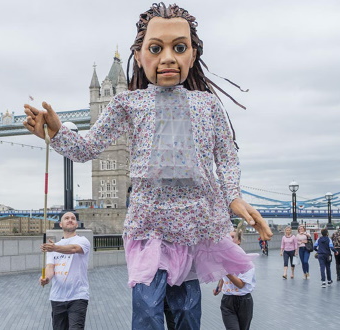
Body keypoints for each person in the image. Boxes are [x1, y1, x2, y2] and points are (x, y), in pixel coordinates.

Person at [23, 3, 272, 329]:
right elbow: (88, 149)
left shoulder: (207, 104)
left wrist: (233, 196)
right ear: (140, 55)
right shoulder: (127, 103)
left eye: (179, 48)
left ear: (192, 54)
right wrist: (57, 133)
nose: (168, 57)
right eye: (156, 49)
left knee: (186, 314)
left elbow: (225, 155)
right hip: (147, 226)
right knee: (147, 312)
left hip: (191, 227)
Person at [39, 212, 92, 330]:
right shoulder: (53, 247)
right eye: (66, 218)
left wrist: (54, 248)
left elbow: (73, 249)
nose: (70, 220)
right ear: (61, 224)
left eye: (73, 218)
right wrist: (46, 278)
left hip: (78, 296)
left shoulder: (83, 241)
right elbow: (50, 268)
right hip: (57, 297)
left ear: (77, 224)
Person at [214, 226, 255, 330]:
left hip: (244, 301)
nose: (229, 240)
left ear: (239, 241)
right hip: (227, 301)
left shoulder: (247, 262)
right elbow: (222, 277)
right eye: (227, 237)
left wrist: (226, 271)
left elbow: (241, 285)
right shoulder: (223, 260)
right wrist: (219, 287)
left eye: (232, 237)